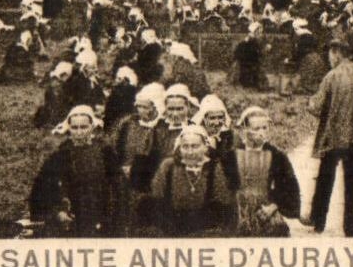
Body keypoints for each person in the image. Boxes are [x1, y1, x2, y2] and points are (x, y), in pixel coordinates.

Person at [305, 39, 353, 237]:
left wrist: (308, 102)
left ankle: (318, 220)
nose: (329, 58)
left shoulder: (332, 76)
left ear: (337, 53)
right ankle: (352, 227)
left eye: (330, 53)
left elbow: (317, 107)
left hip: (334, 137)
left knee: (325, 177)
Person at [29, 106, 119, 237]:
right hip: (71, 216)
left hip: (100, 214)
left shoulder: (105, 152)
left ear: (92, 127)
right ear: (68, 128)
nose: (79, 132)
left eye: (84, 127)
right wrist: (58, 212)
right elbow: (43, 188)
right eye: (74, 128)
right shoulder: (60, 155)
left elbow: (117, 186)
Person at [225, 107, 300, 237]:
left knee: (277, 230)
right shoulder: (231, 156)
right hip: (236, 210)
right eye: (256, 129)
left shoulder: (277, 156)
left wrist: (273, 206)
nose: (261, 133)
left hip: (266, 208)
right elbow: (223, 187)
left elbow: (289, 186)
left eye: (265, 128)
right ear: (245, 129)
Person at [150, 126, 235, 236]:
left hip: (205, 230)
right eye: (185, 146)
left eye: (195, 146)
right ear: (179, 148)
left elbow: (221, 202)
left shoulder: (214, 167)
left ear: (205, 147)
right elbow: (157, 198)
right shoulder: (168, 166)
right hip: (171, 228)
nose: (190, 152)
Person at [112, 83, 168, 234]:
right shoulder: (128, 124)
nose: (141, 110)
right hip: (125, 177)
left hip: (149, 179)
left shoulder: (162, 127)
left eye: (146, 107)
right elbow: (116, 147)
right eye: (139, 106)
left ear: (156, 107)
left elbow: (161, 156)